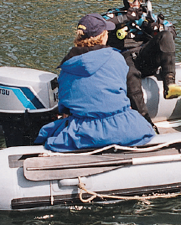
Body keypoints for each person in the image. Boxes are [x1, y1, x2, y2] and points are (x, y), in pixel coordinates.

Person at [34, 13, 155, 152]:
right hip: (121, 127)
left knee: (48, 133)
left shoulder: (67, 68)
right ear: (103, 36)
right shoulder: (117, 58)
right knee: (145, 127)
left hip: (83, 131)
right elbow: (121, 91)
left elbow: (64, 106)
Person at [102, 0, 181, 127]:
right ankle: (144, 120)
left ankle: (170, 84)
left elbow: (172, 31)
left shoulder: (147, 16)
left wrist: (156, 27)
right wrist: (124, 18)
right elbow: (99, 25)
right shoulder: (115, 14)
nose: (136, 3)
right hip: (124, 57)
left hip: (144, 57)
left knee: (166, 35)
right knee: (131, 75)